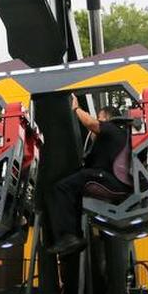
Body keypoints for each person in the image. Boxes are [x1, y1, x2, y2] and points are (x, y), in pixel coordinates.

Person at [46, 97, 131, 255]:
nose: (98, 120)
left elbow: (91, 124)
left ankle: (67, 236)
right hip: (111, 179)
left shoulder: (113, 129)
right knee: (74, 192)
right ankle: (74, 236)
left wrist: (76, 109)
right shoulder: (119, 137)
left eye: (100, 117)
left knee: (60, 188)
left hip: (106, 178)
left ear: (106, 117)